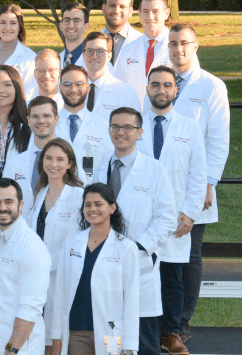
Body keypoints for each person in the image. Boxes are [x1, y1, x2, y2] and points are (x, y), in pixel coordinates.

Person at [93, 107, 178, 355]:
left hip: (139, 263)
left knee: (144, 342)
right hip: (104, 262)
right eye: (116, 127)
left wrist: (138, 248)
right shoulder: (99, 169)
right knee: (110, 339)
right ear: (109, 131)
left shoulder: (154, 170)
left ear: (140, 132)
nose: (121, 132)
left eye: (128, 127)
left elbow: (166, 217)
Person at [165, 23, 230, 343]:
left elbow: (218, 140)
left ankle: (183, 321)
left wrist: (209, 183)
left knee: (190, 254)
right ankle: (165, 322)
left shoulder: (212, 87)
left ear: (196, 46)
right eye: (173, 42)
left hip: (196, 185)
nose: (178, 49)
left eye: (185, 43)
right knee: (162, 252)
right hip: (163, 184)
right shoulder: (161, 81)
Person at [138, 66, 207, 354]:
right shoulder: (134, 125)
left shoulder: (188, 127)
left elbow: (198, 174)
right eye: (155, 84)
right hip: (142, 216)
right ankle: (146, 333)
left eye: (167, 85)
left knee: (172, 277)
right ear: (147, 89)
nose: (161, 90)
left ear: (175, 90)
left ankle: (172, 333)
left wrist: (191, 213)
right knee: (142, 274)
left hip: (178, 216)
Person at [50, 183, 140, 355]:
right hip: (76, 332)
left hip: (112, 334)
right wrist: (56, 336)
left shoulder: (126, 248)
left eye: (99, 204)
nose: (92, 209)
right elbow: (60, 291)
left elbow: (131, 300)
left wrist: (129, 346)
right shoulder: (72, 243)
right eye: (88, 204)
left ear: (112, 208)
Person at [0, 178, 51, 355]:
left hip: (16, 349)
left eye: (9, 202)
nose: (2, 208)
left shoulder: (32, 248)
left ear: (20, 204)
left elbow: (30, 308)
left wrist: (11, 349)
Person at [26, 138, 84, 352]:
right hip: (37, 277)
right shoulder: (39, 193)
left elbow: (76, 242)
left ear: (69, 164)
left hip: (62, 276)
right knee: (39, 335)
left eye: (60, 159)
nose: (54, 164)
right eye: (49, 158)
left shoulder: (77, 195)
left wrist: (44, 265)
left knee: (57, 335)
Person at [1, 96, 60, 218]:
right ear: (28, 120)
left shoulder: (69, 160)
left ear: (56, 119)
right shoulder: (14, 164)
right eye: (35, 116)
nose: (41, 121)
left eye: (47, 116)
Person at [54, 64, 113, 185]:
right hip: (57, 197)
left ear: (87, 87)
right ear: (60, 88)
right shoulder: (49, 125)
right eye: (67, 84)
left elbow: (109, 168)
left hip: (91, 197)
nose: (73, 89)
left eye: (79, 84)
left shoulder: (103, 126)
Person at [114, 0, 172, 107]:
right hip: (134, 118)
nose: (150, 17)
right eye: (145, 12)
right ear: (139, 14)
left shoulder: (179, 49)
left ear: (166, 13)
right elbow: (118, 88)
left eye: (156, 11)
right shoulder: (128, 50)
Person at [81, 32, 140, 120]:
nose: (94, 56)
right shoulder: (72, 89)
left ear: (109, 55)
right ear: (83, 55)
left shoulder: (126, 92)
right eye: (89, 51)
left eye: (100, 51)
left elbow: (136, 127)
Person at [100, 0, 143, 66]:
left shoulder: (142, 42)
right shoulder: (90, 42)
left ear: (130, 12)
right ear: (103, 8)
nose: (116, 11)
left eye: (122, 7)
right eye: (112, 5)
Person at [58, 3, 89, 68]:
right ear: (61, 26)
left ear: (86, 26)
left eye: (77, 21)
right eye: (67, 20)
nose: (71, 25)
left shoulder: (96, 60)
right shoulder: (55, 61)